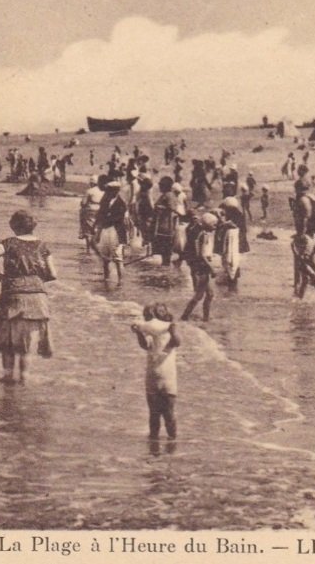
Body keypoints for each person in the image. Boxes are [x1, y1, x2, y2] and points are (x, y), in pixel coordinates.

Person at [0, 210, 57, 384]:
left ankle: (8, 377)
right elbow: (53, 274)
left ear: (14, 226)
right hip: (37, 297)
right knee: (26, 345)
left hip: (13, 293)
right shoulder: (42, 246)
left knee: (8, 342)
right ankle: (24, 379)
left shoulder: (9, 243)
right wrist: (36, 280)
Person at [132, 303, 181, 440]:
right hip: (153, 376)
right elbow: (145, 345)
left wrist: (173, 331)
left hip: (166, 378)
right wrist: (139, 333)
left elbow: (176, 342)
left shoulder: (168, 331)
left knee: (168, 414)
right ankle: (155, 443)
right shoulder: (150, 333)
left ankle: (172, 440)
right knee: (154, 414)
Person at [180, 212, 217, 321]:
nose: (215, 227)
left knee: (209, 294)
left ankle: (204, 317)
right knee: (201, 294)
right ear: (207, 224)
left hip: (198, 266)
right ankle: (187, 316)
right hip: (202, 267)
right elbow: (201, 255)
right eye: (213, 224)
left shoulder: (196, 231)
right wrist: (212, 268)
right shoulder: (203, 235)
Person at [94, 181, 128, 284]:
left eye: (110, 191)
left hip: (117, 231)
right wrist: (97, 228)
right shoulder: (105, 201)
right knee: (105, 257)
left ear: (116, 191)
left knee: (118, 258)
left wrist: (105, 219)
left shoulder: (121, 204)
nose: (108, 193)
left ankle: (121, 281)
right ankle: (106, 278)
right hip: (106, 230)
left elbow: (118, 219)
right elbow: (100, 215)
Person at [150, 177, 180, 266]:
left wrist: (160, 208)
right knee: (164, 248)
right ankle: (165, 264)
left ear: (165, 186)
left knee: (166, 247)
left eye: (161, 185)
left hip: (166, 225)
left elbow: (172, 208)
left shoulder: (169, 195)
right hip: (163, 224)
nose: (159, 186)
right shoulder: (166, 195)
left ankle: (166, 265)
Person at [79, 175, 106, 252]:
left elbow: (83, 203)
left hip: (90, 211)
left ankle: (88, 248)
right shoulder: (104, 191)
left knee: (87, 228)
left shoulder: (89, 191)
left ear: (91, 183)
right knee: (98, 227)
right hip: (101, 211)